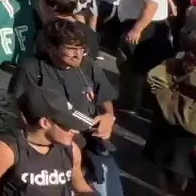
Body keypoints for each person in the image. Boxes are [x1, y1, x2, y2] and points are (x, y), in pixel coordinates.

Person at [11, 18, 121, 195]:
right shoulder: (31, 69)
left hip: (93, 147)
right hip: (54, 152)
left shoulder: (88, 65)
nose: (78, 55)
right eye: (70, 49)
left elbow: (105, 97)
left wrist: (109, 116)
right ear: (51, 47)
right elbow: (20, 112)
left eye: (81, 49)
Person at [0, 84, 94, 195]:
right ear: (45, 123)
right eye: (67, 125)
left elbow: (79, 184)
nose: (75, 131)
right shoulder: (5, 150)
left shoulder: (71, 150)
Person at [145, 30, 196, 194]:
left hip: (185, 150)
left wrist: (168, 93)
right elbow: (154, 79)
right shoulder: (171, 66)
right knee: (171, 184)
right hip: (172, 144)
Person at [116, 0, 175, 111]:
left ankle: (130, 103)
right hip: (143, 24)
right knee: (139, 66)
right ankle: (139, 101)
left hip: (143, 26)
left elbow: (151, 7)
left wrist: (136, 29)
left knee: (132, 66)